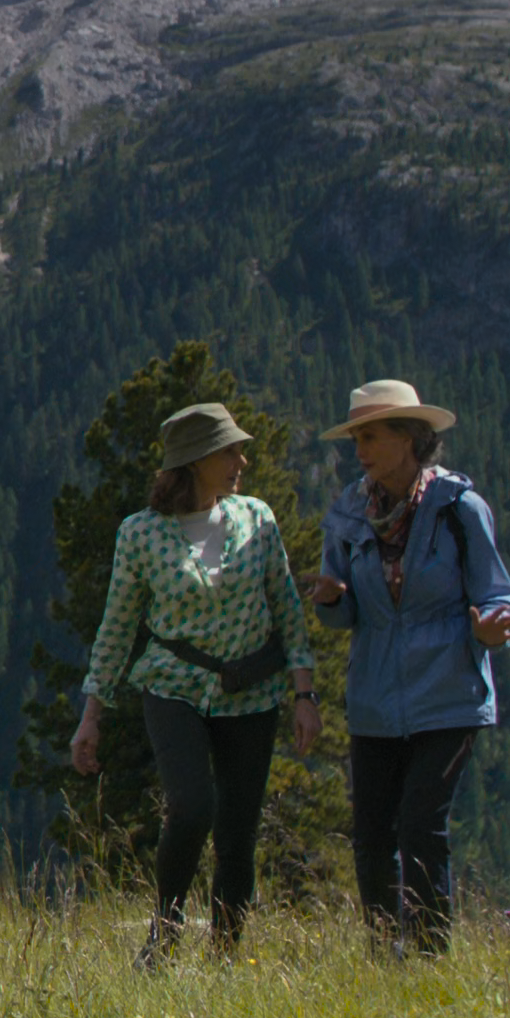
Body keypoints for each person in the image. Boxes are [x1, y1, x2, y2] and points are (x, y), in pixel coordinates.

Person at [70, 402, 321, 966]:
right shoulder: (140, 535)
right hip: (172, 685)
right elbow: (117, 626)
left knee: (238, 828)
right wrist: (92, 714)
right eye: (230, 450)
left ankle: (227, 955)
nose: (242, 460)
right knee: (191, 805)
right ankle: (165, 931)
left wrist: (305, 694)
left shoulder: (257, 519)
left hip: (252, 692)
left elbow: (286, 608)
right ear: (197, 460)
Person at [300, 379, 510, 957]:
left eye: (371, 436)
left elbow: (497, 593)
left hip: (448, 693)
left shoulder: (458, 509)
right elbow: (344, 613)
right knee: (374, 834)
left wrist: (490, 626)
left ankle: (427, 953)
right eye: (357, 438)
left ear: (409, 438)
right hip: (376, 698)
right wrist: (331, 600)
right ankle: (385, 954)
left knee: (421, 824)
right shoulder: (349, 513)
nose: (361, 451)